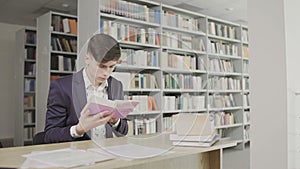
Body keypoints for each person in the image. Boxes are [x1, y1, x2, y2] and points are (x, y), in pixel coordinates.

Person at [44, 34, 128, 143]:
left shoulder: (117, 85)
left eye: (111, 67)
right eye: (101, 66)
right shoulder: (62, 87)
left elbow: (124, 130)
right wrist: (79, 129)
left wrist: (116, 121)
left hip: (107, 153)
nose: (106, 73)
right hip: (77, 155)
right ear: (87, 58)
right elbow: (49, 135)